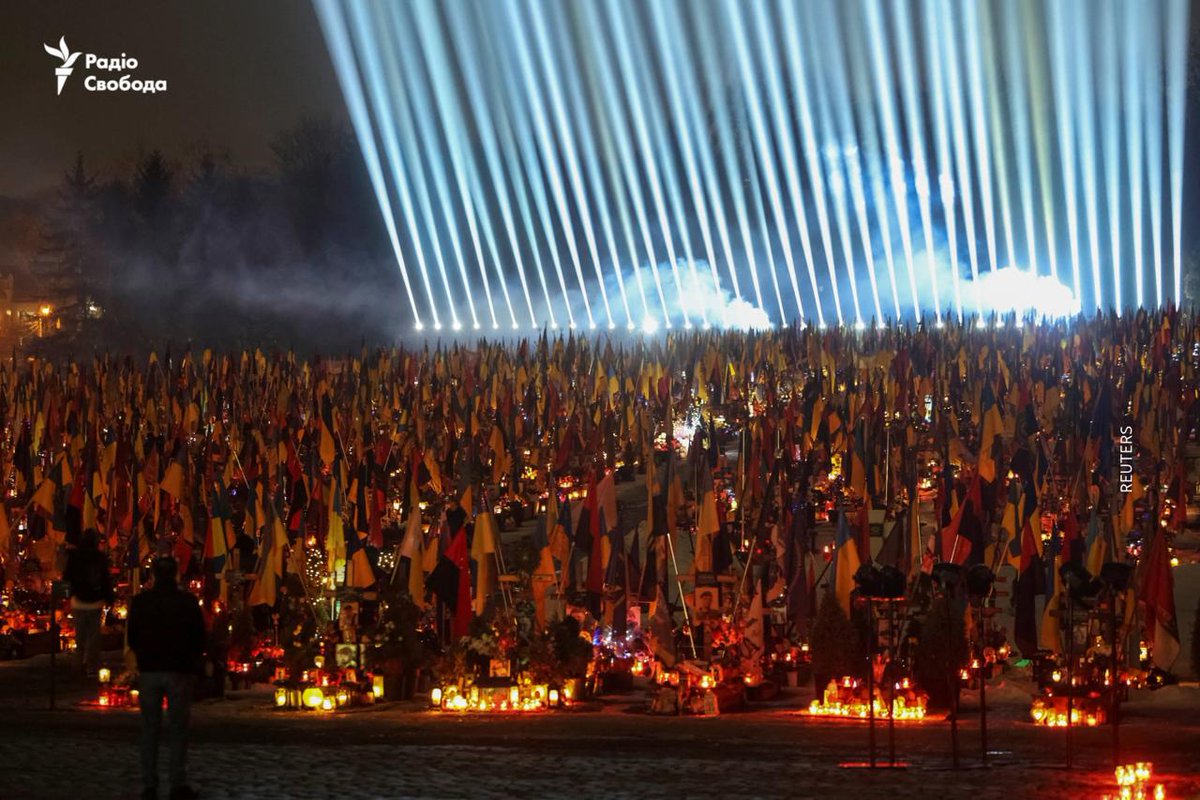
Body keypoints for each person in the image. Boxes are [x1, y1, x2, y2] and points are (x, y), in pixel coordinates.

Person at [127, 556, 206, 800]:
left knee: (150, 729)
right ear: (176, 575)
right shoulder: (187, 602)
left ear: (152, 576)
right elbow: (199, 637)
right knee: (178, 729)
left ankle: (150, 784)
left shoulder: (140, 603)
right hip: (179, 670)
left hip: (150, 670)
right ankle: (177, 782)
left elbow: (132, 638)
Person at [62, 528, 113, 677]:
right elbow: (105, 580)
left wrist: (67, 596)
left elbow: (67, 577)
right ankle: (91, 667)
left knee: (80, 637)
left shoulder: (75, 557)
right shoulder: (100, 558)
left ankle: (77, 666)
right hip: (95, 602)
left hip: (78, 601)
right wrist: (109, 597)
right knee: (93, 637)